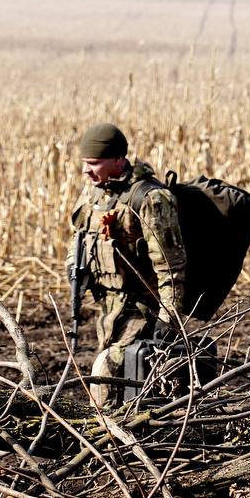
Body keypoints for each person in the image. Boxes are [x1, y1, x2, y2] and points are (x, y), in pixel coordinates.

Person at [67, 123, 187, 407]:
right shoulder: (95, 194)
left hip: (145, 308)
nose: (86, 170)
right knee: (123, 380)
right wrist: (75, 270)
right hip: (111, 309)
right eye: (85, 163)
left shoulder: (151, 199)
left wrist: (168, 319)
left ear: (119, 160)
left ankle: (108, 437)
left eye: (94, 163)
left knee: (105, 372)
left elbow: (171, 267)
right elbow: (79, 238)